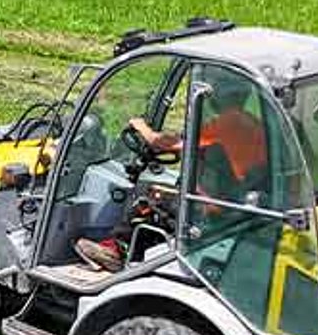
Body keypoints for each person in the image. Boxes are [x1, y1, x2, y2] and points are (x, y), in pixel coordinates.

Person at [78, 66, 266, 272]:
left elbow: (161, 143)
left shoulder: (230, 121)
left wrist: (140, 126)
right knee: (166, 198)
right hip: (235, 202)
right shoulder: (251, 122)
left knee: (147, 202)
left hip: (213, 211)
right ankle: (143, 252)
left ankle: (115, 251)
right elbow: (196, 143)